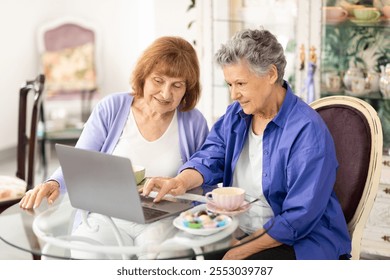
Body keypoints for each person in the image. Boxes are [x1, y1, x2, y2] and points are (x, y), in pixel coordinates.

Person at [143, 28, 352, 260]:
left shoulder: (307, 131)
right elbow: (211, 155)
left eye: (241, 83)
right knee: (172, 260)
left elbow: (297, 218)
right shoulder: (237, 114)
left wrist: (242, 250)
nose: (234, 94)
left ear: (271, 74)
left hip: (300, 242)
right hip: (240, 231)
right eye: (229, 84)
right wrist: (180, 181)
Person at [19, 36, 210, 259]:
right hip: (107, 214)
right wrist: (53, 182)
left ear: (187, 89)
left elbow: (201, 176)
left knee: (163, 259)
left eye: (177, 85)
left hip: (164, 219)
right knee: (87, 254)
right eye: (158, 81)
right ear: (144, 77)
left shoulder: (194, 122)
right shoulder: (113, 108)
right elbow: (82, 159)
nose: (166, 94)